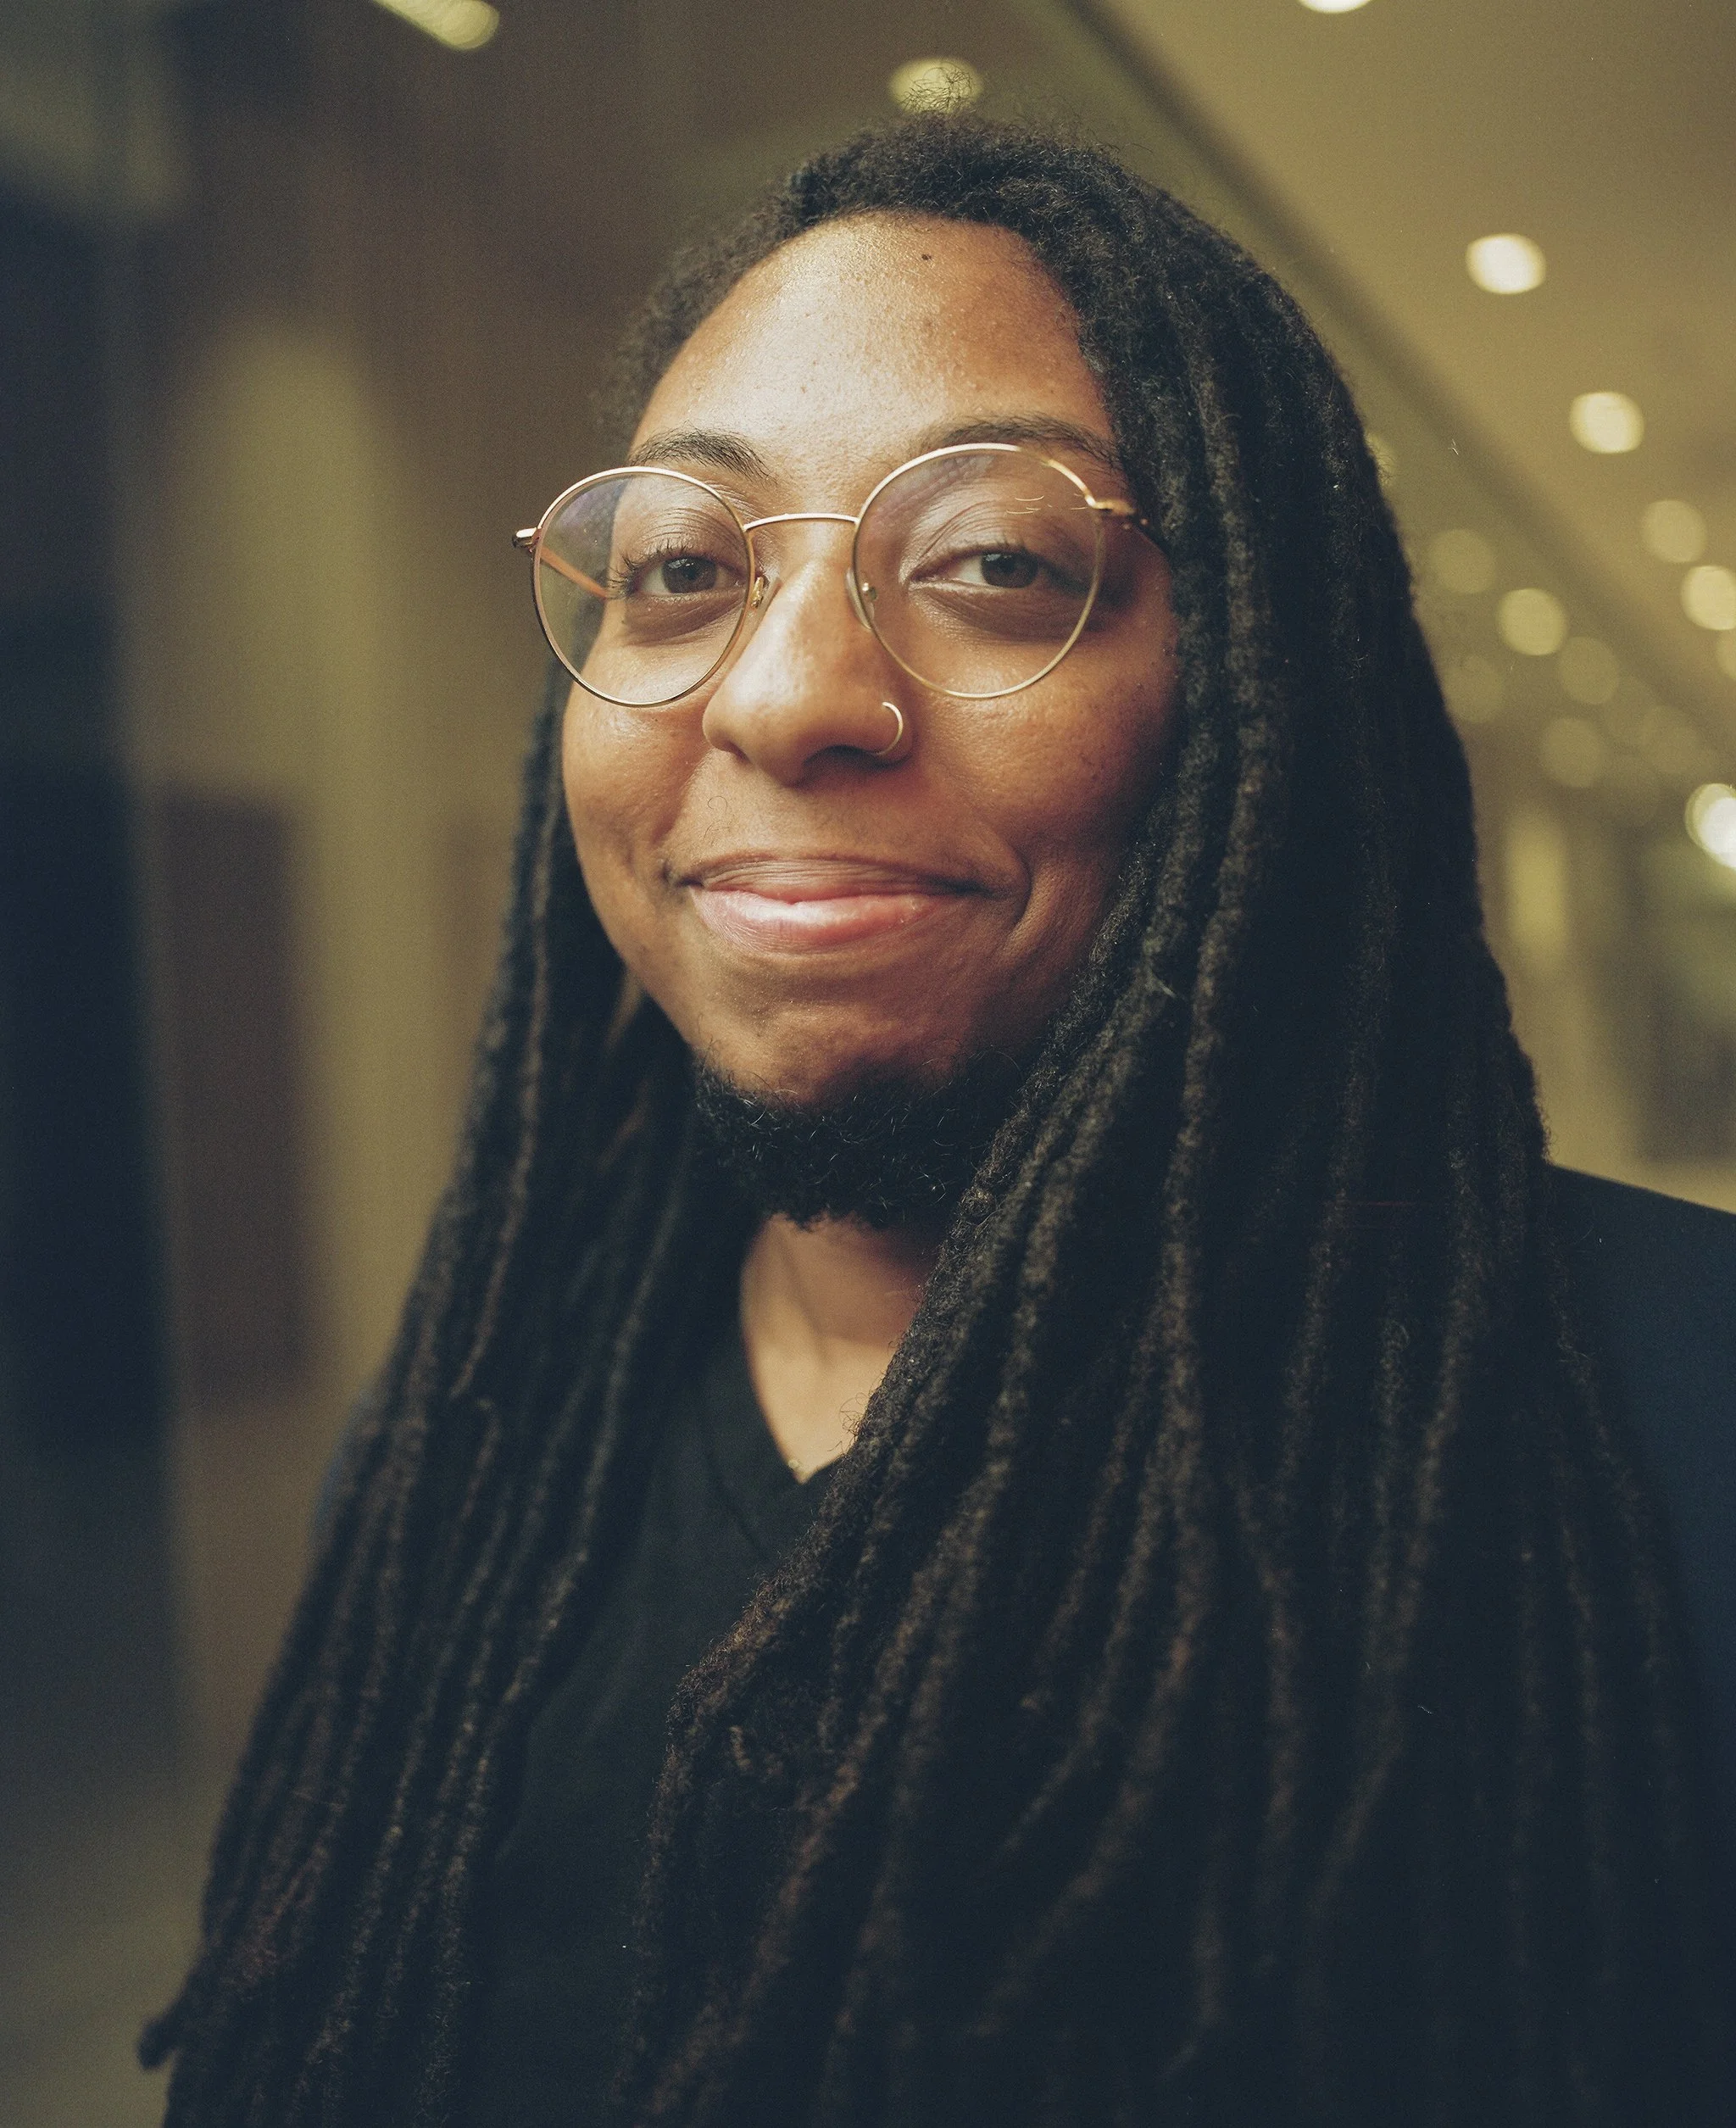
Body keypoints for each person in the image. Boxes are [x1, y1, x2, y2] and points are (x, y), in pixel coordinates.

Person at [144, 118, 1732, 2127]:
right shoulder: (476, 1445)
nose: (786, 693)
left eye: (994, 564)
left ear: (1261, 692)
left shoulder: (1669, 1422)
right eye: (681, 572)